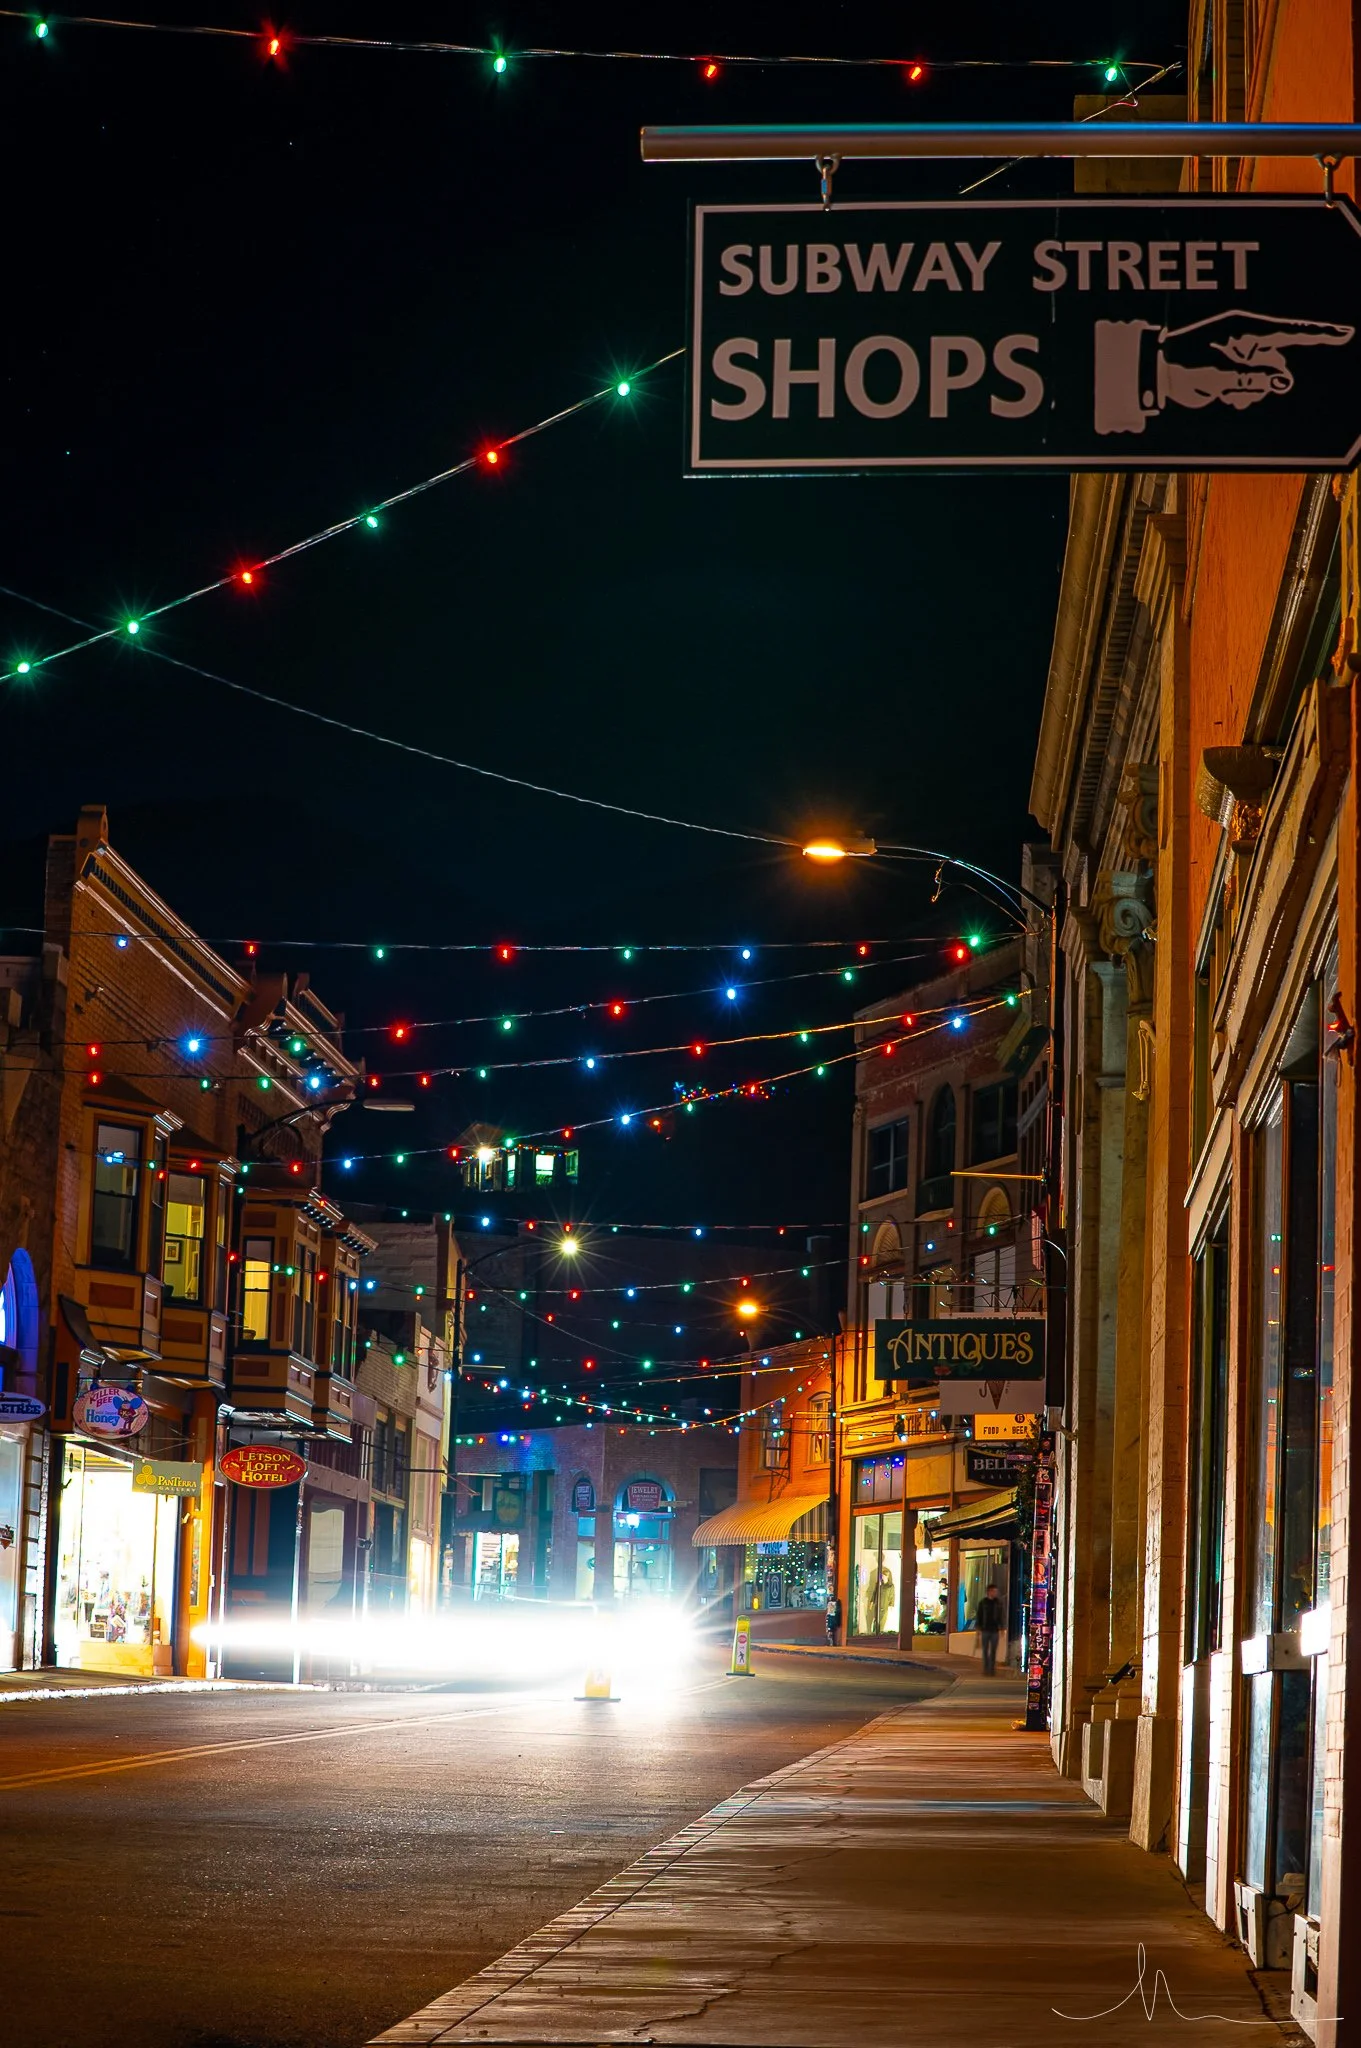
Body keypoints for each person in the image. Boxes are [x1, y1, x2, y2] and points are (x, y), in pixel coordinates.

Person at [974, 1582, 1003, 1675]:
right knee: (985, 1650)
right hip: (985, 1629)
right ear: (989, 1592)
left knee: (993, 1650)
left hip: (995, 1630)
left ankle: (991, 1669)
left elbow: (1000, 1616)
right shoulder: (983, 1603)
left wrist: (1001, 1627)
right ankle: (986, 1668)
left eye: (996, 1591)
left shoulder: (998, 1602)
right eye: (994, 1591)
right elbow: (979, 1616)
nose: (995, 1593)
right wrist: (978, 1629)